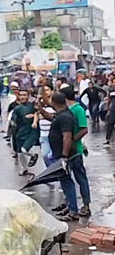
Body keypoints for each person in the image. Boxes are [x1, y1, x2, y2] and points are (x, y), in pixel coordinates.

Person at [48, 93, 80, 222]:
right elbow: (50, 117)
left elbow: (67, 137)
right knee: (64, 181)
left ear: (55, 102)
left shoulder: (65, 117)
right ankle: (70, 206)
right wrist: (40, 108)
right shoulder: (61, 115)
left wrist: (64, 157)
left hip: (66, 156)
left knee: (67, 181)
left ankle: (73, 211)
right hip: (60, 154)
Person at [61, 86, 92, 217]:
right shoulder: (67, 110)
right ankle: (70, 205)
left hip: (76, 151)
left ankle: (86, 205)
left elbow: (84, 129)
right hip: (67, 150)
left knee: (81, 179)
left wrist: (72, 140)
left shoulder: (78, 109)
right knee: (67, 179)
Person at [11, 88, 39, 175]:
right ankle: (24, 169)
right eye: (21, 95)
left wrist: (34, 118)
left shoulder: (32, 105)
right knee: (20, 153)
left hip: (31, 132)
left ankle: (33, 155)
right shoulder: (17, 108)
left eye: (24, 95)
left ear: (28, 96)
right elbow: (13, 120)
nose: (22, 97)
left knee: (24, 149)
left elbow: (38, 113)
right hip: (20, 133)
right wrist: (13, 124)